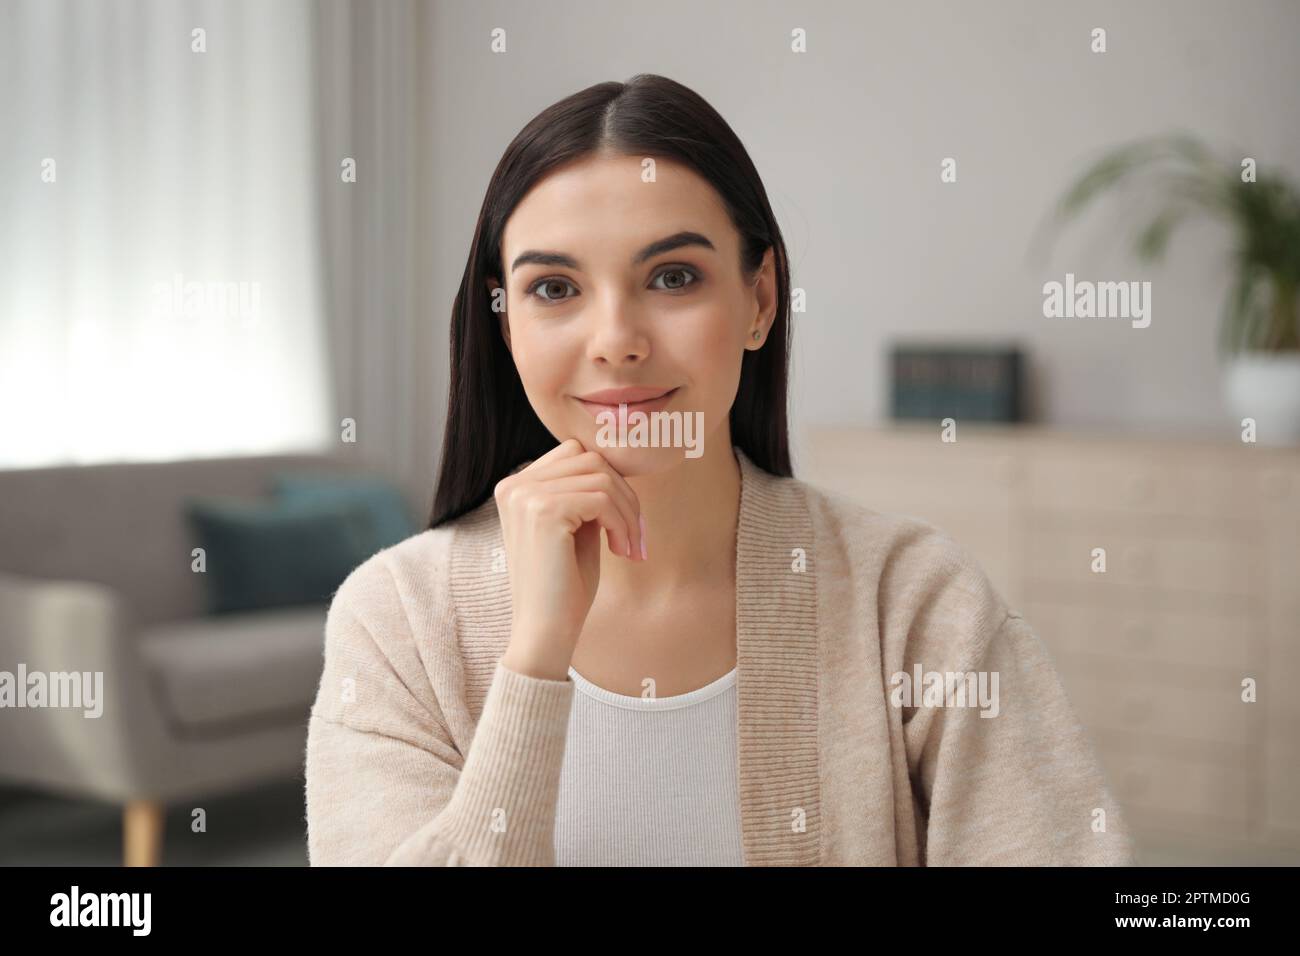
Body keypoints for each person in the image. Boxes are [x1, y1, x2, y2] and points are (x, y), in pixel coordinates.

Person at [304, 73, 1134, 867]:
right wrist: (535, 657)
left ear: (761, 300)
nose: (616, 339)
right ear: (505, 323)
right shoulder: (396, 623)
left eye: (672, 277)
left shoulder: (915, 605)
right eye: (555, 288)